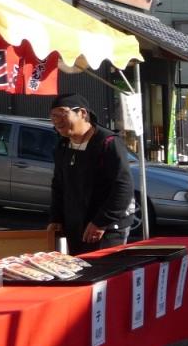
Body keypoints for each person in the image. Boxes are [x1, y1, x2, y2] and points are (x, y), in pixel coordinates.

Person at [47, 93, 134, 255]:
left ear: (82, 113)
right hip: (75, 225)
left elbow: (123, 187)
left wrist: (101, 222)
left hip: (106, 227)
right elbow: (58, 184)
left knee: (101, 269)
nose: (57, 120)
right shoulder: (63, 145)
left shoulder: (108, 142)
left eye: (62, 113)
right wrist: (56, 218)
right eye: (53, 116)